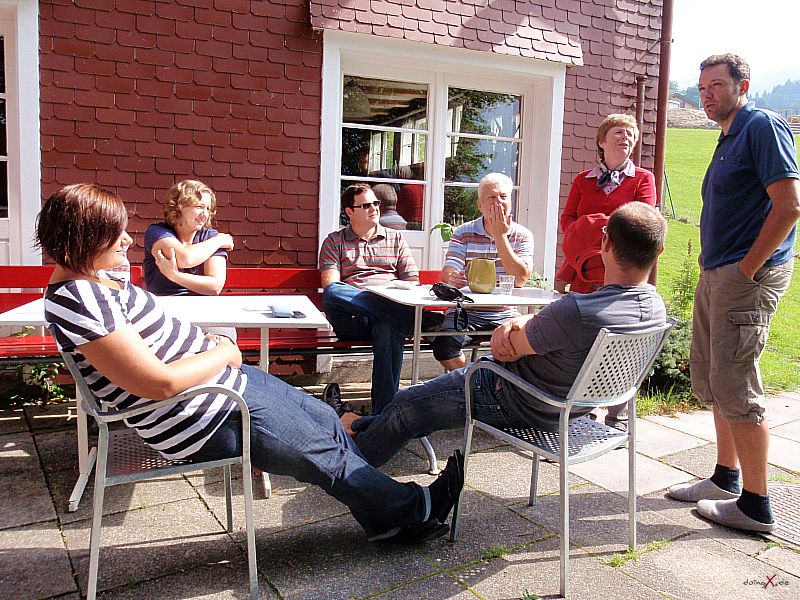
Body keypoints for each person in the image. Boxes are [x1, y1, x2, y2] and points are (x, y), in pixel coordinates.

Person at [38, 183, 464, 545]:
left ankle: (382, 520)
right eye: (114, 234)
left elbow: (153, 336)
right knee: (322, 456)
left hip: (219, 386)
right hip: (200, 416)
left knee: (327, 420)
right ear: (85, 239)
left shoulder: (95, 281)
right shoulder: (79, 299)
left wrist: (208, 346)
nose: (128, 241)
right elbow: (159, 384)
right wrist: (223, 352)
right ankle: (415, 509)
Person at [349, 202, 668, 468]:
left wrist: (510, 326)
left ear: (605, 244)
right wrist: (527, 320)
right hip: (570, 409)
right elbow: (541, 328)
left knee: (405, 406)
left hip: (511, 397)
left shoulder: (577, 311)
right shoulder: (656, 309)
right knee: (404, 407)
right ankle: (356, 425)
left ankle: (348, 466)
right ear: (659, 251)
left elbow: (504, 347)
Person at [667, 54, 800, 533]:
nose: (707, 95)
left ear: (743, 86)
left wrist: (746, 269)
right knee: (715, 376)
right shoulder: (729, 135)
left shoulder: (762, 126)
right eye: (702, 88)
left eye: (718, 86)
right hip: (719, 272)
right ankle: (725, 478)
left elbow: (790, 205)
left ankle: (756, 505)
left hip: (744, 277)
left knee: (737, 383)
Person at [554, 114, 657, 431]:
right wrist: (600, 229)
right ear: (602, 140)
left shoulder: (643, 179)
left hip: (623, 272)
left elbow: (640, 222)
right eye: (619, 132)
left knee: (621, 345)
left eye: (631, 134)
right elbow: (568, 221)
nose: (626, 137)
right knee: (580, 342)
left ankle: (617, 416)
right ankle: (578, 413)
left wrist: (591, 225)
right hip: (584, 268)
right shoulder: (583, 180)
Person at [320, 184, 441, 415]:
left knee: (388, 323)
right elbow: (330, 285)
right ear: (349, 211)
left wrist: (388, 297)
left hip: (387, 313)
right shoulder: (334, 241)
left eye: (376, 203)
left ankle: (382, 416)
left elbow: (412, 281)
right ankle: (415, 321)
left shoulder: (395, 238)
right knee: (334, 293)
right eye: (366, 205)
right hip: (353, 318)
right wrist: (372, 298)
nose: (374, 208)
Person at [433, 173, 534, 372]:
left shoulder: (522, 235)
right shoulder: (463, 232)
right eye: (492, 198)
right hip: (466, 311)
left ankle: (492, 382)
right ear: (480, 205)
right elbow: (449, 271)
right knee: (445, 345)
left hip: (504, 312)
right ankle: (474, 379)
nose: (499, 202)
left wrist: (500, 236)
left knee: (523, 346)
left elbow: (520, 279)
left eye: (503, 197)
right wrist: (454, 277)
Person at [143, 179, 236, 340]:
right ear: (179, 206)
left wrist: (175, 275)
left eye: (208, 208)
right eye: (199, 207)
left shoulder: (209, 236)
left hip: (205, 309)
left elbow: (214, 286)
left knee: (224, 343)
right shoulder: (157, 232)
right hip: (165, 309)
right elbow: (186, 258)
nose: (204, 214)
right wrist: (220, 241)